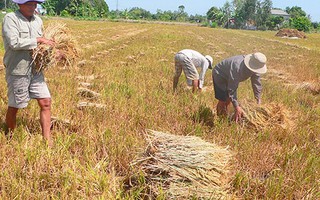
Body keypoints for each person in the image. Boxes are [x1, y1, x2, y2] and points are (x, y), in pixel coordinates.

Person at [2, 0, 55, 146]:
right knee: (15, 105)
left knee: (46, 102)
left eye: (35, 4)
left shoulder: (38, 20)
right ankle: (10, 136)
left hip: (36, 69)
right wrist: (38, 39)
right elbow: (14, 42)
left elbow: (43, 44)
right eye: (30, 4)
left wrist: (55, 51)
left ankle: (47, 139)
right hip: (18, 70)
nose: (34, 7)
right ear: (20, 4)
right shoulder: (11, 19)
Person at [212, 52, 267, 122]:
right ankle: (220, 120)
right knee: (223, 99)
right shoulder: (237, 67)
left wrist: (258, 99)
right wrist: (237, 107)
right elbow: (232, 89)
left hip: (229, 76)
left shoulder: (256, 66)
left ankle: (225, 116)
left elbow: (256, 83)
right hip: (220, 74)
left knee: (228, 99)